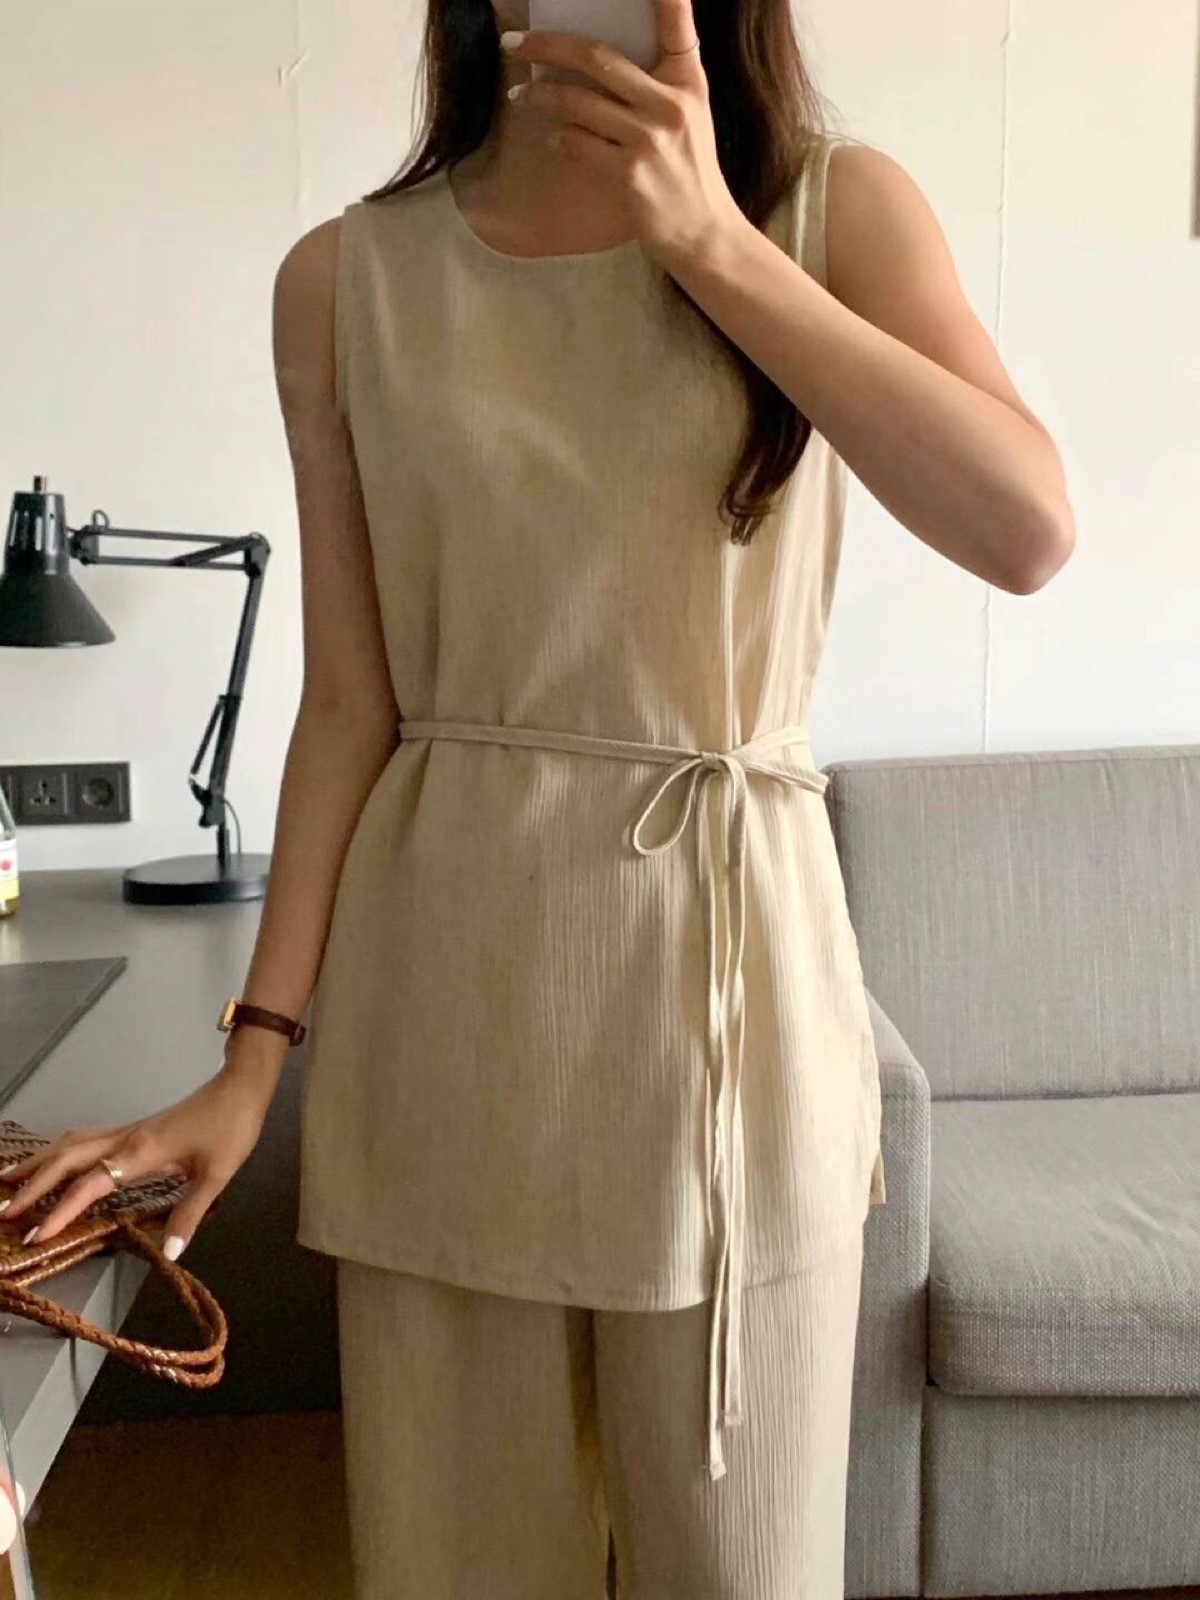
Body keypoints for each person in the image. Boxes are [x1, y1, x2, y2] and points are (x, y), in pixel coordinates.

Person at [0, 0, 1074, 1593]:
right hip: (449, 1032)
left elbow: (1026, 530)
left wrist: (709, 241)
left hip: (733, 1038)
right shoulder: (346, 279)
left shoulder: (833, 210)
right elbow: (350, 701)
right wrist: (252, 1061)